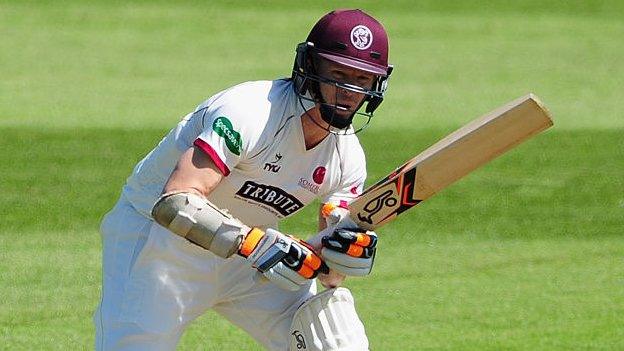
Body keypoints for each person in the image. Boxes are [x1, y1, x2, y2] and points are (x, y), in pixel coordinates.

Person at [94, 8, 393, 351]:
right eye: (338, 73)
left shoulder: (348, 158)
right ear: (310, 67)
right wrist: (255, 244)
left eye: (362, 80)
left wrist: (342, 256)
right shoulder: (250, 112)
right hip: (159, 243)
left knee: (331, 340)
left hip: (250, 256)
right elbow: (175, 202)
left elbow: (330, 274)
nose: (349, 91)